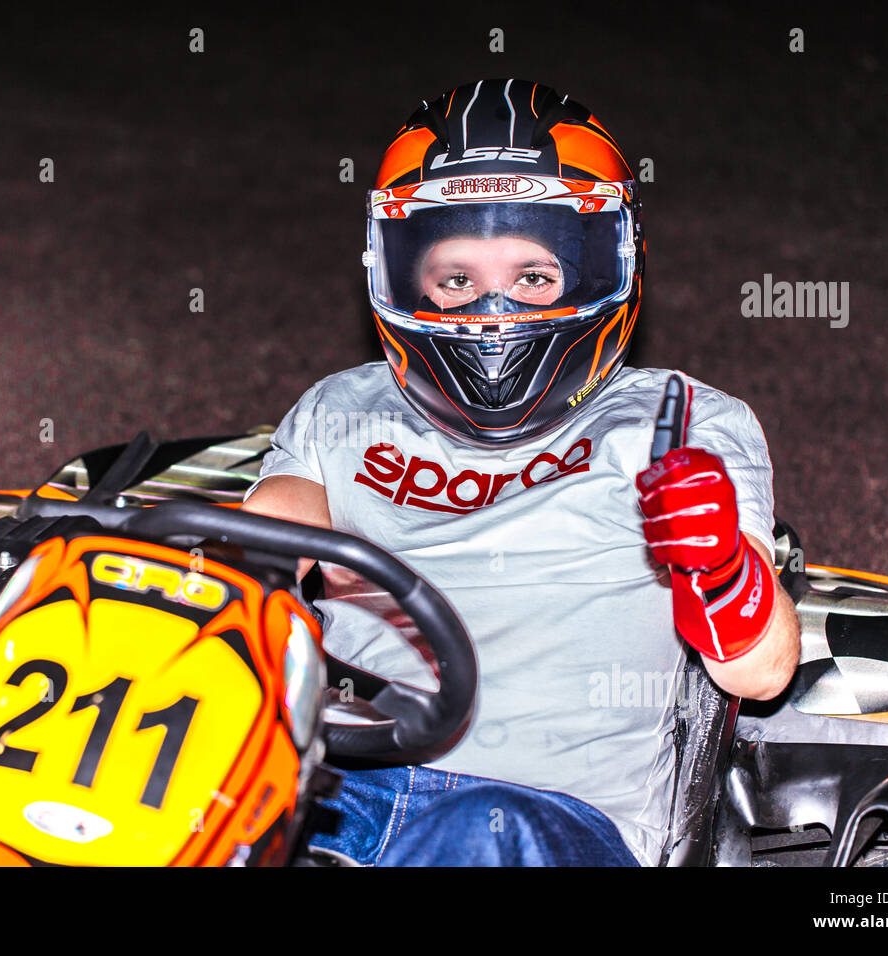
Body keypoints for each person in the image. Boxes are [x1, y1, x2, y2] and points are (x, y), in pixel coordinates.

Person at [242, 78, 800, 866]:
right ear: (400, 278)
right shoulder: (344, 408)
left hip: (550, 821)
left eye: (532, 277)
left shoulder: (678, 426)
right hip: (341, 786)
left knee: (479, 837)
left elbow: (766, 669)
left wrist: (716, 563)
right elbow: (253, 557)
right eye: (457, 278)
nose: (492, 311)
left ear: (606, 266)